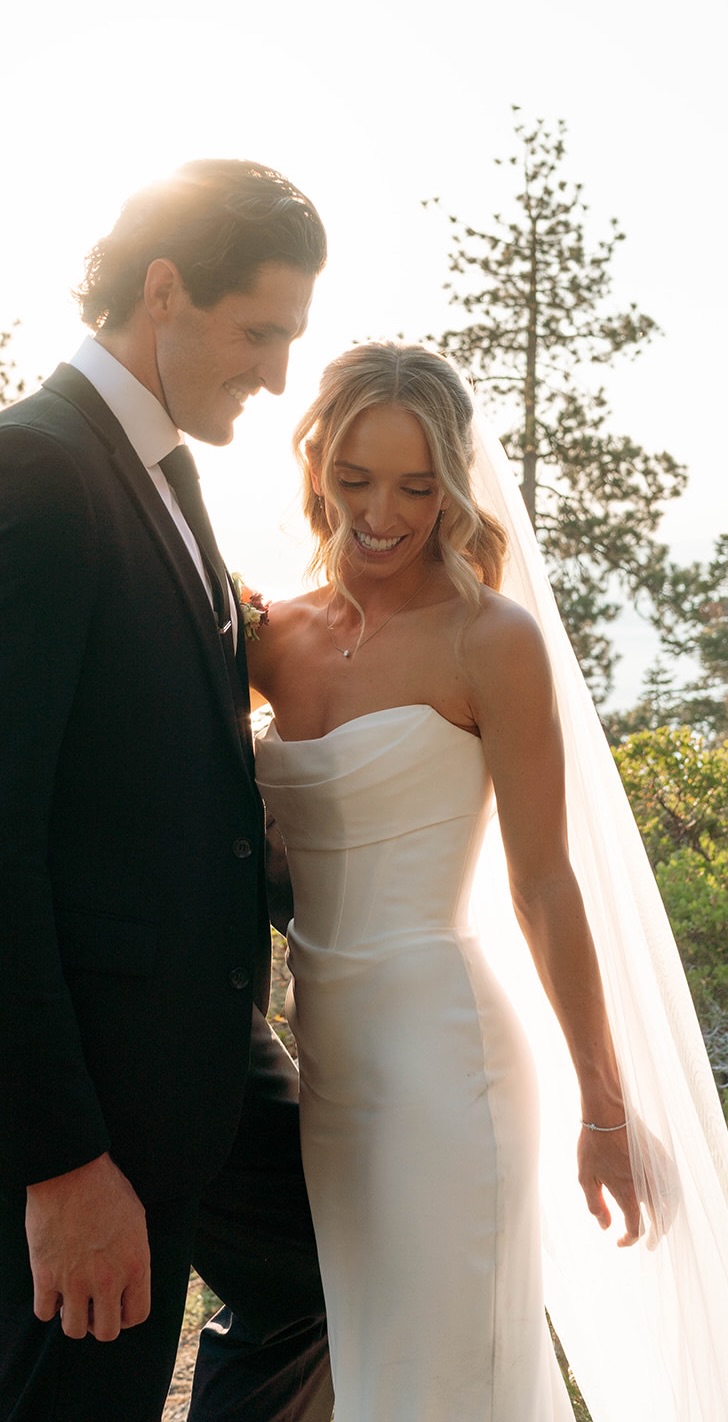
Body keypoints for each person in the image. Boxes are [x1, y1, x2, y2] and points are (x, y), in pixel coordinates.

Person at [250, 342, 728, 1420]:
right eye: (356, 478)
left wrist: (601, 1107)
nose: (381, 512)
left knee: (442, 1383)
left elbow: (544, 884)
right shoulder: (271, 636)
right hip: (330, 1071)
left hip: (445, 1068)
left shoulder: (487, 639)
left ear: (453, 486)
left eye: (416, 486)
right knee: (380, 1373)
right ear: (317, 461)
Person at [0, 159, 334, 1422]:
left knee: (323, 1268)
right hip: (86, 1104)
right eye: (258, 332)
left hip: (205, 1058)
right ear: (162, 291)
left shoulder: (163, 468)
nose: (277, 374)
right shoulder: (38, 473)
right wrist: (60, 1166)